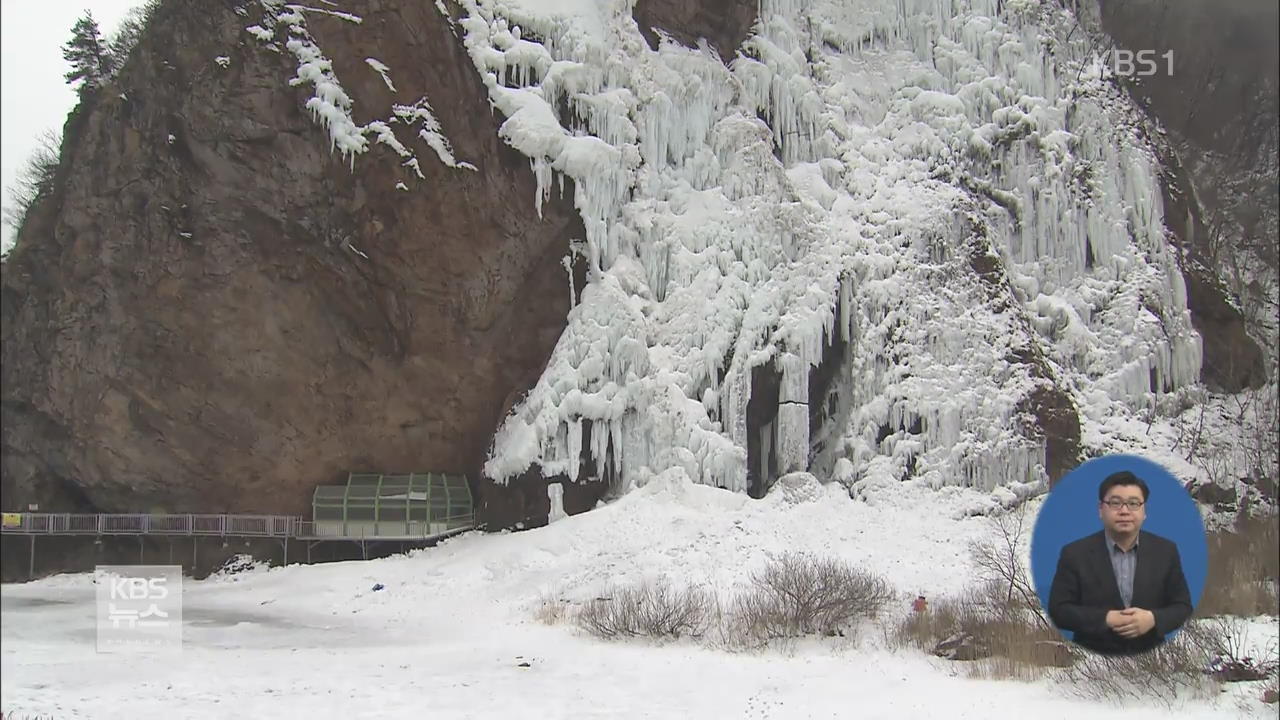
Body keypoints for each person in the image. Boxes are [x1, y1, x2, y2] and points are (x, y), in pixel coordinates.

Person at [1047, 470, 1193, 656]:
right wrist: (1105, 618)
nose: (1124, 511)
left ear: (1144, 510)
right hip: (1090, 659)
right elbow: (1059, 610)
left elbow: (1182, 606)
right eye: (1115, 503)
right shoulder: (1074, 553)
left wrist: (1153, 619)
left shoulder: (1166, 551)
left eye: (1133, 503)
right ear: (1101, 509)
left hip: (1154, 660)